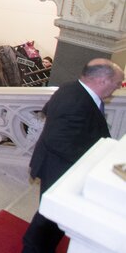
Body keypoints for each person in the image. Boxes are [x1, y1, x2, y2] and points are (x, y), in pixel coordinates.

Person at [21, 59, 123, 253]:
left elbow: (49, 110)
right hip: (59, 168)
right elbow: (56, 140)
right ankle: (32, 248)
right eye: (117, 84)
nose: (117, 89)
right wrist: (94, 160)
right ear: (103, 80)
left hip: (55, 163)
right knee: (50, 217)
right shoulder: (76, 100)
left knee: (52, 216)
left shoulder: (70, 87)